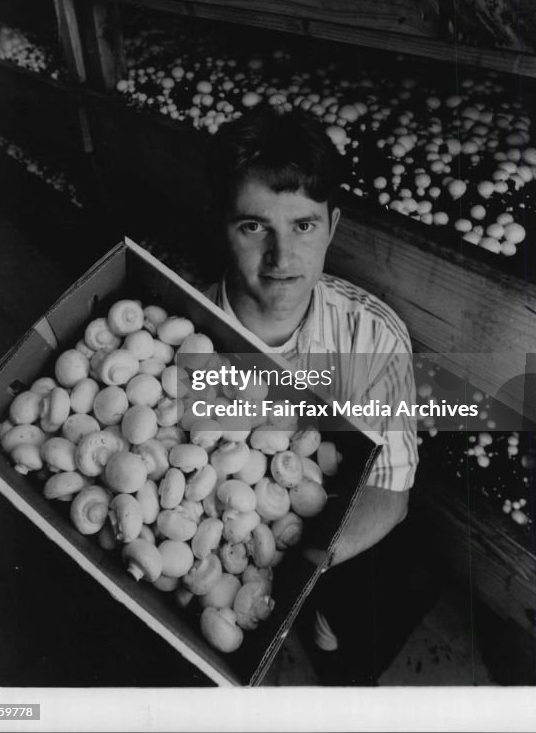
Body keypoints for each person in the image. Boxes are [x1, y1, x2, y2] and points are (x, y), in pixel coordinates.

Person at [205, 107, 418, 683]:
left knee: (353, 628)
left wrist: (303, 567)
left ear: (333, 225)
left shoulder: (372, 336)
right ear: (222, 224)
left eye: (303, 225)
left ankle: (321, 631)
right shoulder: (181, 338)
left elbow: (390, 493)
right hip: (217, 559)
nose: (282, 258)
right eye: (254, 226)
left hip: (323, 547)